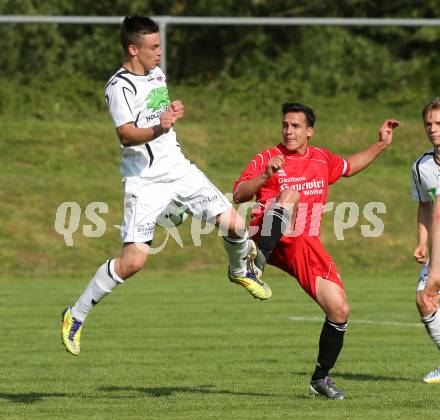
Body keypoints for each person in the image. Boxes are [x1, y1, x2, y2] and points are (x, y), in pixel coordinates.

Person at [61, 15, 271, 356]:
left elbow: (160, 114)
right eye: (153, 47)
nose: (160, 52)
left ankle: (238, 271)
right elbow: (127, 135)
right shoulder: (119, 87)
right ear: (133, 49)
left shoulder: (157, 74)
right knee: (133, 263)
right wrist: (160, 126)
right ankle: (75, 314)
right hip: (144, 182)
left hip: (178, 169)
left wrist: (172, 110)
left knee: (235, 225)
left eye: (160, 45)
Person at [233, 102, 399, 399]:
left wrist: (381, 145)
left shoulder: (321, 158)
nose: (288, 131)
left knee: (340, 309)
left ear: (310, 131)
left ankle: (320, 378)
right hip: (267, 233)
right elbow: (238, 194)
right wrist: (264, 176)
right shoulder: (267, 157)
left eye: (295, 126)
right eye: (285, 124)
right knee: (291, 195)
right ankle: (256, 262)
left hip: (302, 243)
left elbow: (349, 166)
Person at [414, 99, 440, 383]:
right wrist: (422, 242)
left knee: (427, 295)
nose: (433, 129)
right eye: (428, 124)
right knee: (425, 300)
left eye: (439, 124)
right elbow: (425, 205)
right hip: (438, 245)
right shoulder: (422, 167)